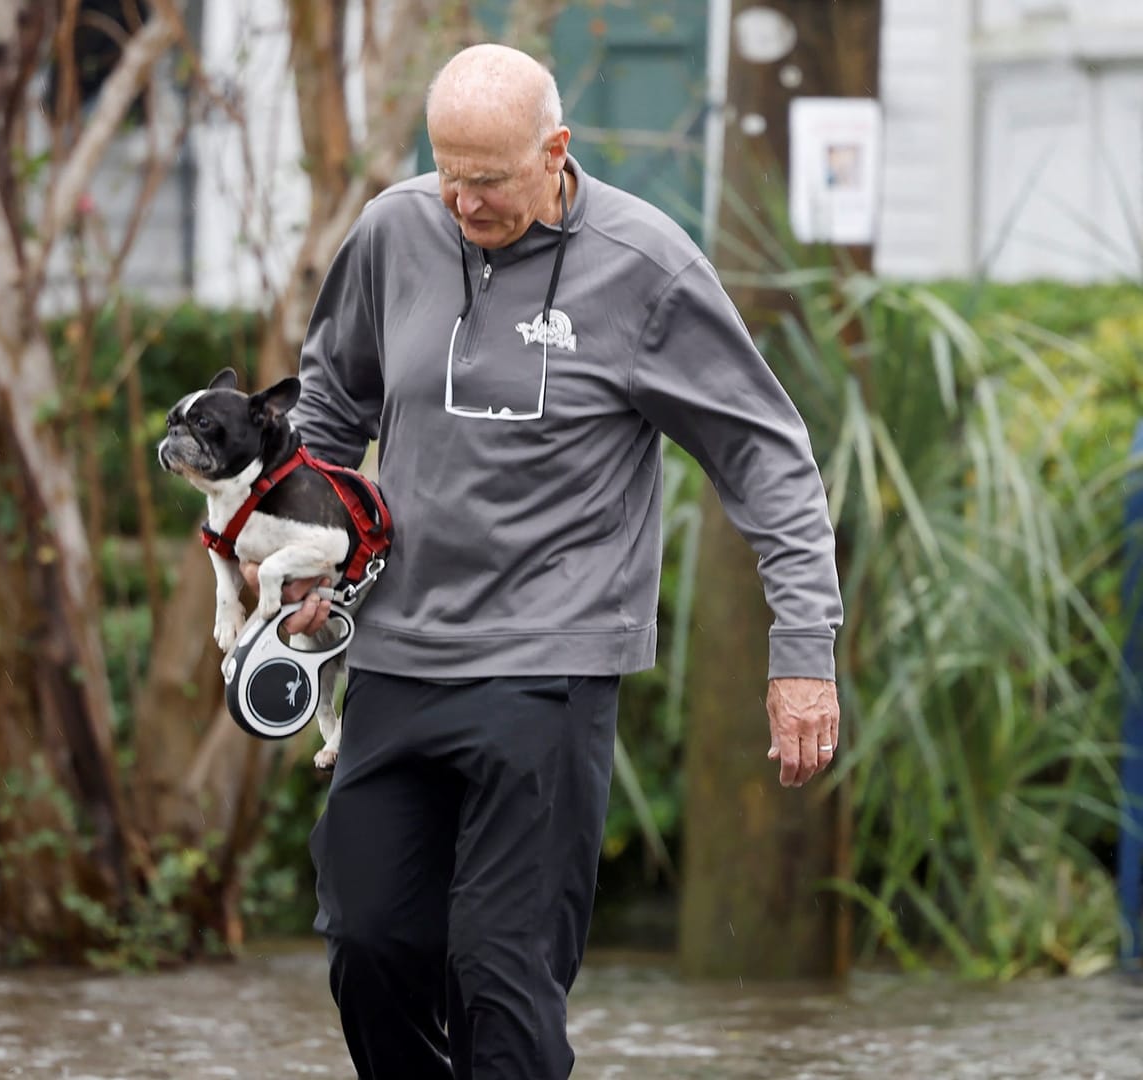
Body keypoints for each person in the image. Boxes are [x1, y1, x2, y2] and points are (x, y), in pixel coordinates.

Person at [247, 44, 845, 1077]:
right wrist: (309, 550)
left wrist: (804, 651)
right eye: (449, 172)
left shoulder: (645, 267)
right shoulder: (395, 231)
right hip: (395, 653)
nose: (464, 201)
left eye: (489, 179)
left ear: (555, 152)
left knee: (502, 971)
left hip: (548, 671)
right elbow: (333, 406)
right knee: (368, 940)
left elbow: (765, 454)